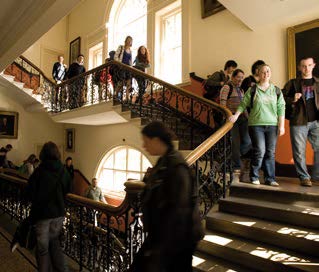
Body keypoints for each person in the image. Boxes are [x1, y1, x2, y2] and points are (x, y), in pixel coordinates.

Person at [129, 121, 204, 272]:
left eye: (146, 141)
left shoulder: (176, 167)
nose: (144, 146)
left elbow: (179, 211)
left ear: (156, 140)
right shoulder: (164, 161)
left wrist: (160, 248)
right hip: (163, 236)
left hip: (175, 241)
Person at [229, 64, 285, 186]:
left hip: (272, 125)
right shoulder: (252, 90)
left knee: (270, 152)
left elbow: (281, 108)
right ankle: (254, 175)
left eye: (268, 71)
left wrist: (282, 126)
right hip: (256, 125)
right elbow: (243, 104)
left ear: (270, 73)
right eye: (263, 72)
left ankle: (270, 178)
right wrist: (236, 115)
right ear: (259, 74)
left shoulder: (276, 90)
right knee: (260, 150)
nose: (266, 74)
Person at [26, 141, 71, 272]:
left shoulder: (39, 171)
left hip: (42, 215)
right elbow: (69, 188)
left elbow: (30, 193)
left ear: (43, 154)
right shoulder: (63, 170)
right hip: (59, 214)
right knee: (55, 242)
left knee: (43, 249)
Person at [283, 56, 319, 187]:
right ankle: (304, 177)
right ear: (299, 67)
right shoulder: (293, 83)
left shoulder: (318, 83)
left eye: (309, 65)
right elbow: (281, 99)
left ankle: (317, 176)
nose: (306, 68)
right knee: (299, 151)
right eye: (304, 66)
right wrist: (292, 98)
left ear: (313, 65)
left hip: (316, 122)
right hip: (298, 121)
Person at [220, 69, 251, 170]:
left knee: (248, 141)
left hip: (242, 118)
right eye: (238, 77)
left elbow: (243, 106)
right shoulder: (226, 87)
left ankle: (233, 156)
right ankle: (236, 164)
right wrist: (226, 118)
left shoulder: (241, 90)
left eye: (242, 78)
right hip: (231, 118)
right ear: (233, 77)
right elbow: (222, 104)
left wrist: (248, 118)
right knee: (235, 143)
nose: (240, 79)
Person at [114, 36, 133, 101]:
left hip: (128, 68)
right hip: (121, 67)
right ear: (125, 40)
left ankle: (127, 97)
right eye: (128, 40)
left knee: (128, 82)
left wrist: (131, 67)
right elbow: (115, 56)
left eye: (130, 40)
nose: (129, 41)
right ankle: (115, 95)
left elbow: (130, 61)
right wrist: (120, 64)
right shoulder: (121, 47)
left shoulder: (130, 51)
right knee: (121, 82)